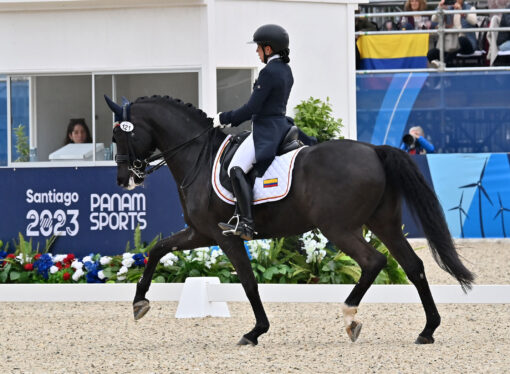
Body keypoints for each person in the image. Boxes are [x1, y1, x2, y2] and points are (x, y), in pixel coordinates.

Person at [212, 24, 293, 240]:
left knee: (235, 167)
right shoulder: (286, 70)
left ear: (268, 49)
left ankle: (245, 223)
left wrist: (224, 118)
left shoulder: (269, 72)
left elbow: (251, 109)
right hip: (280, 125)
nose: (257, 52)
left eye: (258, 48)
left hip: (266, 130)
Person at [427, 0, 477, 68]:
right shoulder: (448, 9)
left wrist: (462, 11)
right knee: (431, 54)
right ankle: (447, 66)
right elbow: (433, 19)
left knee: (461, 40)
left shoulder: (470, 8)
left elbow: (474, 21)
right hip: (450, 43)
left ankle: (443, 63)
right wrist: (440, 8)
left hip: (467, 43)